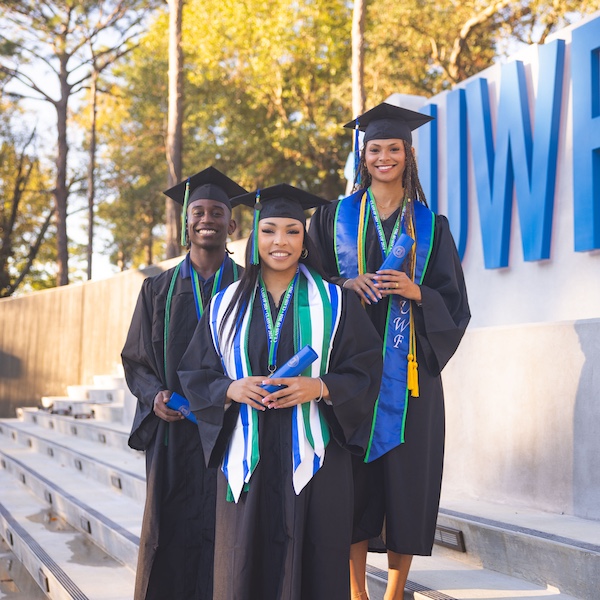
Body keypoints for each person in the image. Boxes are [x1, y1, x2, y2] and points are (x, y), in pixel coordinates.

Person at [178, 184, 383, 600]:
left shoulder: (335, 301)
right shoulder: (226, 303)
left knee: (314, 563)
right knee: (243, 565)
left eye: (292, 231)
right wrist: (232, 388)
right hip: (246, 456)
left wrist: (320, 386)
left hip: (315, 458)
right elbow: (196, 373)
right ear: (255, 238)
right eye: (269, 230)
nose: (280, 242)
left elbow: (365, 369)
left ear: (305, 241)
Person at [308, 102, 471, 600]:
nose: (384, 157)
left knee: (407, 486)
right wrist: (343, 284)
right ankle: (357, 593)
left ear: (408, 154)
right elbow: (305, 284)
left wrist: (415, 290)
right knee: (351, 486)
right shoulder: (331, 219)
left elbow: (456, 303)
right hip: (349, 376)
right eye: (374, 148)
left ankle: (394, 593)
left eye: (393, 148)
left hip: (411, 376)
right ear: (363, 154)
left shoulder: (430, 224)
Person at [121, 166, 249, 600]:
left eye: (217, 211)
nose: (207, 218)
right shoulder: (157, 289)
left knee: (231, 535)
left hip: (233, 434)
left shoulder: (250, 286)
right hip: (174, 436)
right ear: (185, 223)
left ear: (232, 224)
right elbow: (136, 358)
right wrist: (154, 395)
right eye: (198, 211)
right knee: (169, 533)